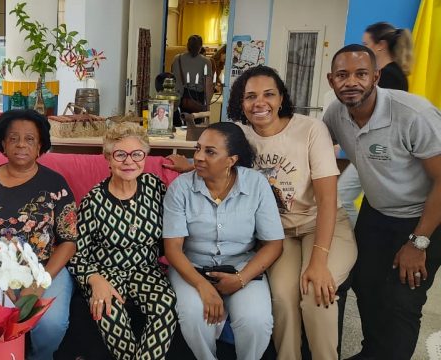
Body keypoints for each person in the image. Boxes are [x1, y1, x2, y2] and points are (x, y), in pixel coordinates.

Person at [227, 65, 357, 359]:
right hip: (279, 234)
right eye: (250, 97)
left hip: (324, 225)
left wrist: (319, 260)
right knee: (283, 299)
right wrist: (190, 165)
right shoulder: (240, 135)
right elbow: (215, 156)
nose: (259, 103)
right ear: (240, 102)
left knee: (315, 294)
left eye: (269, 94)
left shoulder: (310, 129)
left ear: (282, 98)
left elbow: (327, 199)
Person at [323, 44, 441, 360]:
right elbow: (308, 148)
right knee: (366, 284)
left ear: (376, 76)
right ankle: (373, 352)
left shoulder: (413, 115)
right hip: (378, 212)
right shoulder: (335, 114)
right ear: (330, 80)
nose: (351, 82)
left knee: (403, 298)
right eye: (342, 75)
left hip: (426, 214)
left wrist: (418, 243)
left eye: (361, 74)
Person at [163, 122, 283, 360]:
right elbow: (173, 249)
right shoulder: (180, 189)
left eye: (210, 152)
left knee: (256, 321)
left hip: (241, 264)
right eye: (197, 149)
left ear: (231, 160)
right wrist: (202, 285)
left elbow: (273, 244)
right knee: (194, 314)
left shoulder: (257, 185)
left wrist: (241, 279)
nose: (198, 157)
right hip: (192, 265)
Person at [0, 109, 77, 360]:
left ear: (40, 146)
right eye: (13, 138)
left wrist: (40, 284)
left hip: (44, 267)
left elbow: (69, 240)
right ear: (3, 144)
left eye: (29, 139)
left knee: (51, 324)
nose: (21, 145)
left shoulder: (55, 184)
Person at [68, 122, 177, 360]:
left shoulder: (155, 187)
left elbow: (189, 196)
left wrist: (189, 168)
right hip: (105, 273)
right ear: (107, 158)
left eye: (137, 154)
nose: (129, 161)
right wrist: (94, 280)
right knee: (109, 312)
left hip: (146, 270)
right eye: (120, 154)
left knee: (165, 305)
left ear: (145, 157)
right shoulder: (94, 200)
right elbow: (76, 254)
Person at [339, 22, 414, 227]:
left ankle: (356, 243)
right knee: (345, 197)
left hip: (377, 150)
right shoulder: (392, 73)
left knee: (342, 197)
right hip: (375, 148)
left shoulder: (389, 76)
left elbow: (375, 117)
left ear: (380, 45)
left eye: (366, 44)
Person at [171, 35, 213, 114]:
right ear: (200, 47)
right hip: (196, 101)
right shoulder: (206, 61)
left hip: (176, 101)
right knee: (195, 125)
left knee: (178, 125)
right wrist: (208, 106)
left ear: (187, 45)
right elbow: (208, 86)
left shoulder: (177, 58)